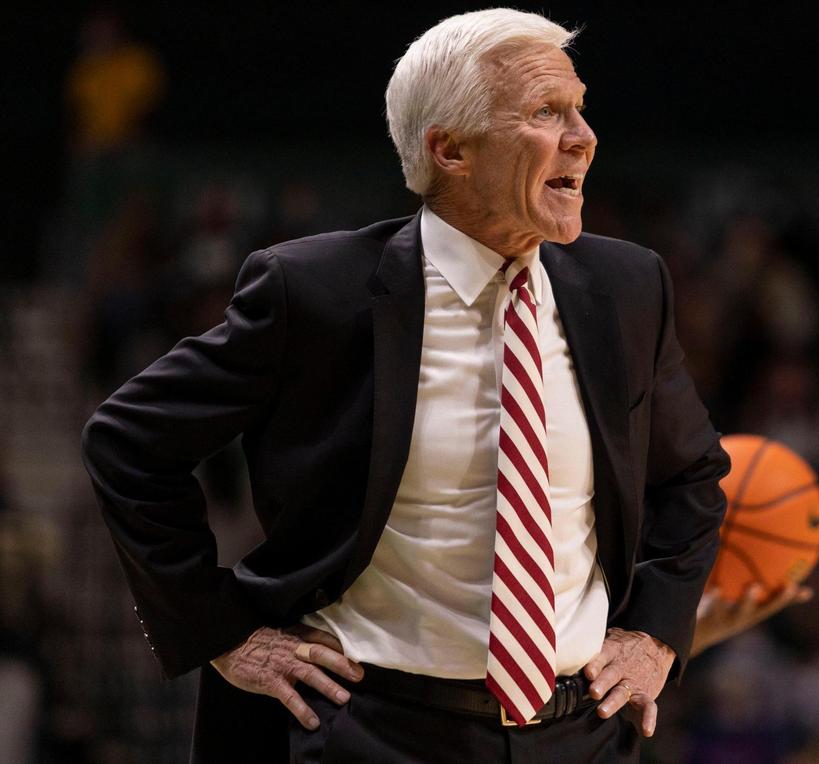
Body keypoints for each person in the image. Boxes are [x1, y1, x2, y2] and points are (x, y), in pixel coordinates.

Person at [80, 8, 731, 763]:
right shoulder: (316, 292)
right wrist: (219, 630)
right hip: (371, 729)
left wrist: (654, 633)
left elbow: (693, 476)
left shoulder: (627, 288)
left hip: (580, 734)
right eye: (547, 113)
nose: (583, 137)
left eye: (580, 109)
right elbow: (126, 441)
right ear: (449, 149)